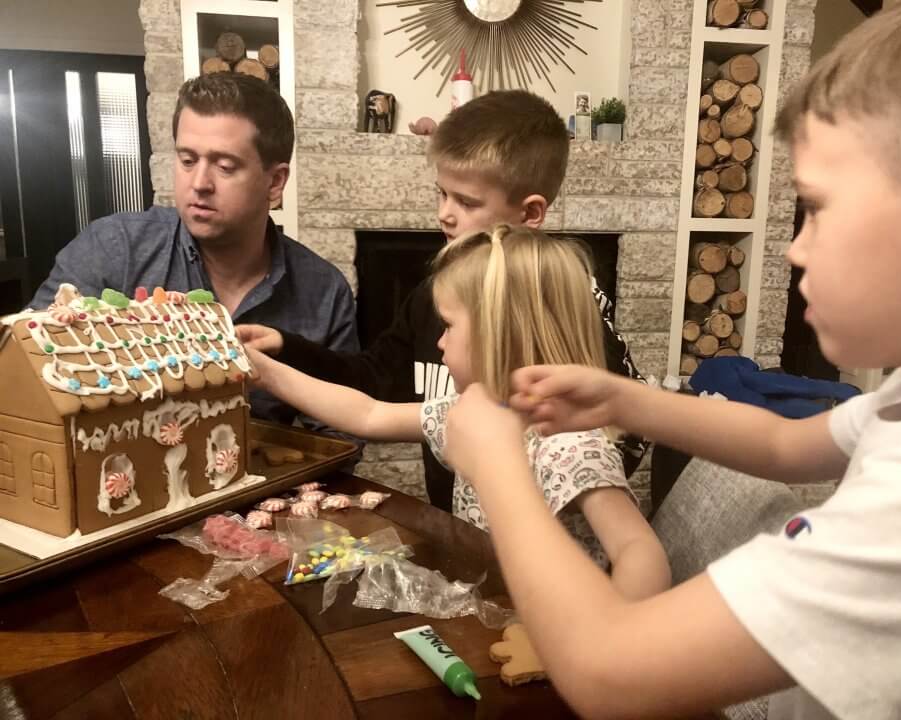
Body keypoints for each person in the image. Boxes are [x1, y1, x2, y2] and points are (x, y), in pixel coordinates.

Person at [441, 1, 901, 717]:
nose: (792, 247)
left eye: (816, 208)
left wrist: (496, 462)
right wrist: (623, 400)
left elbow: (607, 675)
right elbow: (781, 442)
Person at [236, 89, 646, 511]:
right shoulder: (439, 311)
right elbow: (371, 395)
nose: (445, 214)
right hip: (465, 545)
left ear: (530, 213)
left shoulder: (569, 314)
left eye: (466, 201)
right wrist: (283, 352)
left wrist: (562, 488)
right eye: (442, 194)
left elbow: (624, 438)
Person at [247, 225, 670, 599]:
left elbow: (641, 552)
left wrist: (606, 638)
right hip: (487, 602)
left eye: (449, 325)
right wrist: (267, 373)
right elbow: (368, 414)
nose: (439, 342)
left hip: (559, 642)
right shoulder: (469, 415)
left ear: (500, 337)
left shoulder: (571, 446)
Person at [28, 72, 358, 425]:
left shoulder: (323, 292)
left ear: (275, 183)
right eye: (187, 160)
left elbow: (337, 437)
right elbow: (33, 371)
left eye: (225, 166)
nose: (199, 184)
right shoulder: (113, 250)